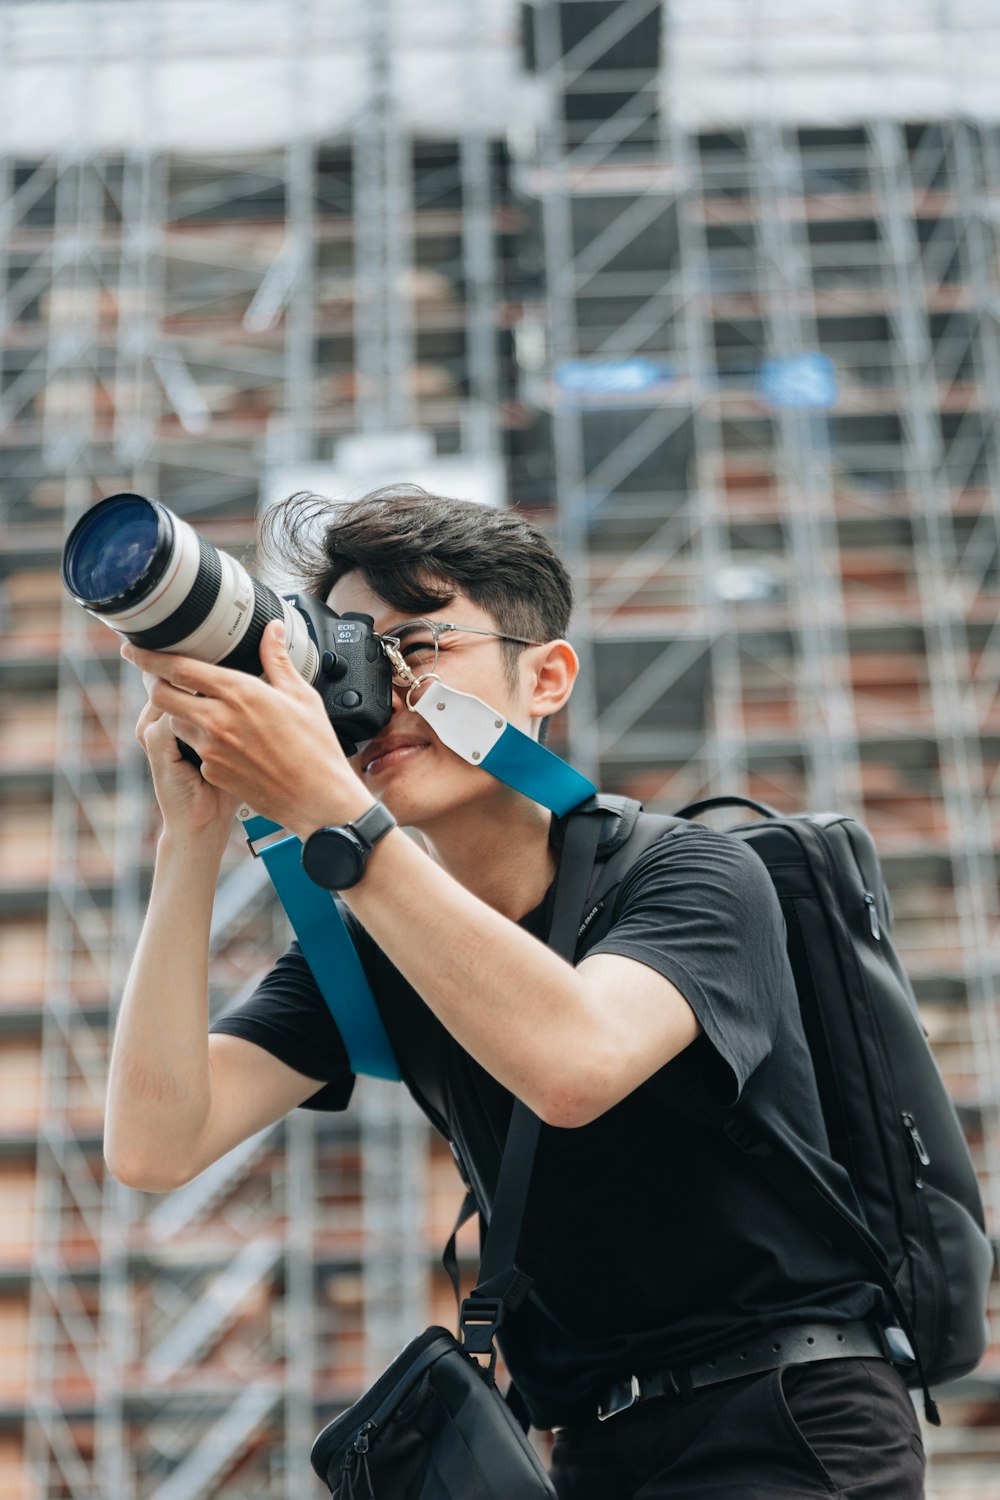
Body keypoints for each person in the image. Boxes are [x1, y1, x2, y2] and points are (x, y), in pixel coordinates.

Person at [105, 485, 926, 1499]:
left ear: (546, 676)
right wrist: (189, 839)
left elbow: (573, 1065)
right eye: (351, 654)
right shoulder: (378, 939)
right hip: (581, 1450)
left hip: (784, 1418)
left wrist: (331, 808)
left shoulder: (691, 875)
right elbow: (153, 1145)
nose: (381, 687)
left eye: (422, 648)